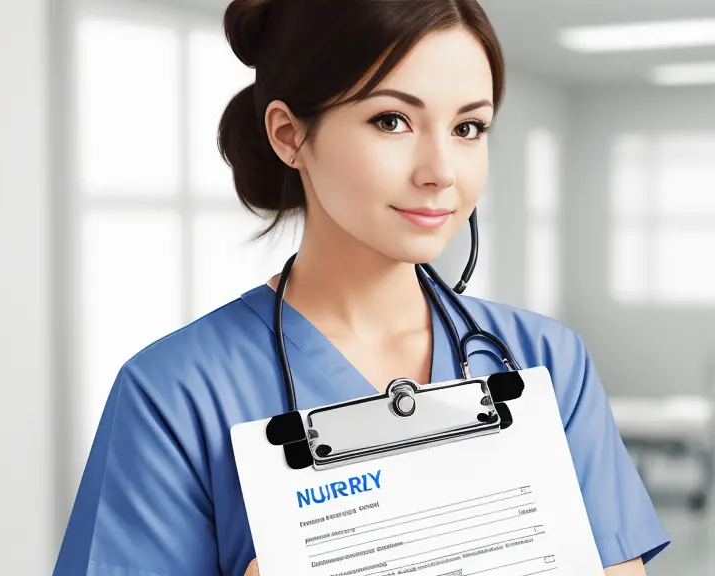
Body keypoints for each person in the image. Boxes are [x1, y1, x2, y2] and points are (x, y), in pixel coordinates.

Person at [53, 0, 670, 574]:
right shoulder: (175, 394)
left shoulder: (547, 362)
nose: (440, 173)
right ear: (290, 135)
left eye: (468, 128)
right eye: (392, 120)